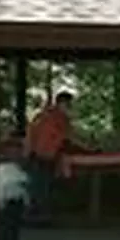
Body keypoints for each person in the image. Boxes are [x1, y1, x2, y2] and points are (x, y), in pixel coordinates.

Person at [23, 91, 82, 223]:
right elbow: (68, 136)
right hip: (44, 154)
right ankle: (39, 215)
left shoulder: (43, 115)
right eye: (69, 104)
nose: (70, 107)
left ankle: (36, 214)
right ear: (62, 103)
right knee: (42, 185)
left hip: (39, 153)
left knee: (39, 185)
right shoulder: (58, 118)